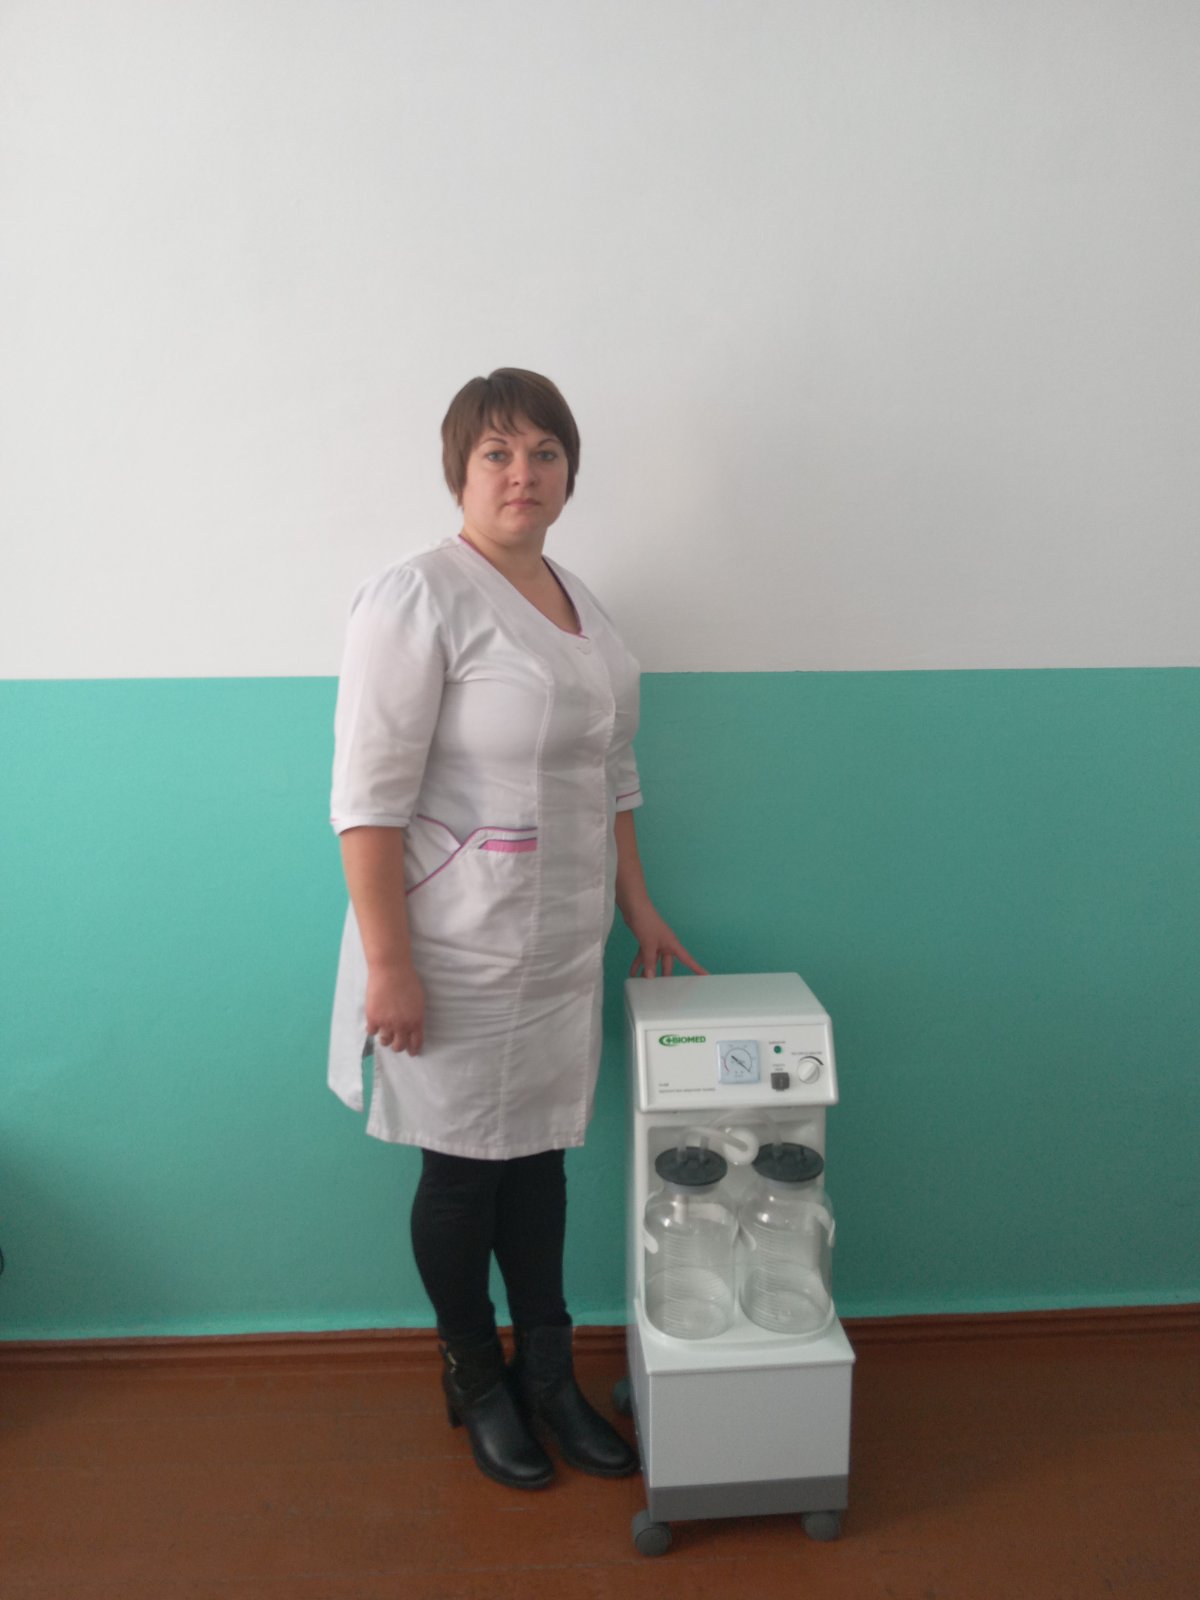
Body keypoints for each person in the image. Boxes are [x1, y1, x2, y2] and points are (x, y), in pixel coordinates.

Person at [328, 368, 703, 1490]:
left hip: (559, 945)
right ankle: (476, 1377)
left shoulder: (582, 604)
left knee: (538, 1164)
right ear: (460, 470)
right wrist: (389, 966)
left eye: (544, 452)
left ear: (569, 472)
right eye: (496, 452)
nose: (522, 472)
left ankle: (549, 1371)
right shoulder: (417, 597)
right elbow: (366, 801)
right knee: (461, 1176)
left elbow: (612, 770)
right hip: (450, 948)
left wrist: (639, 904)